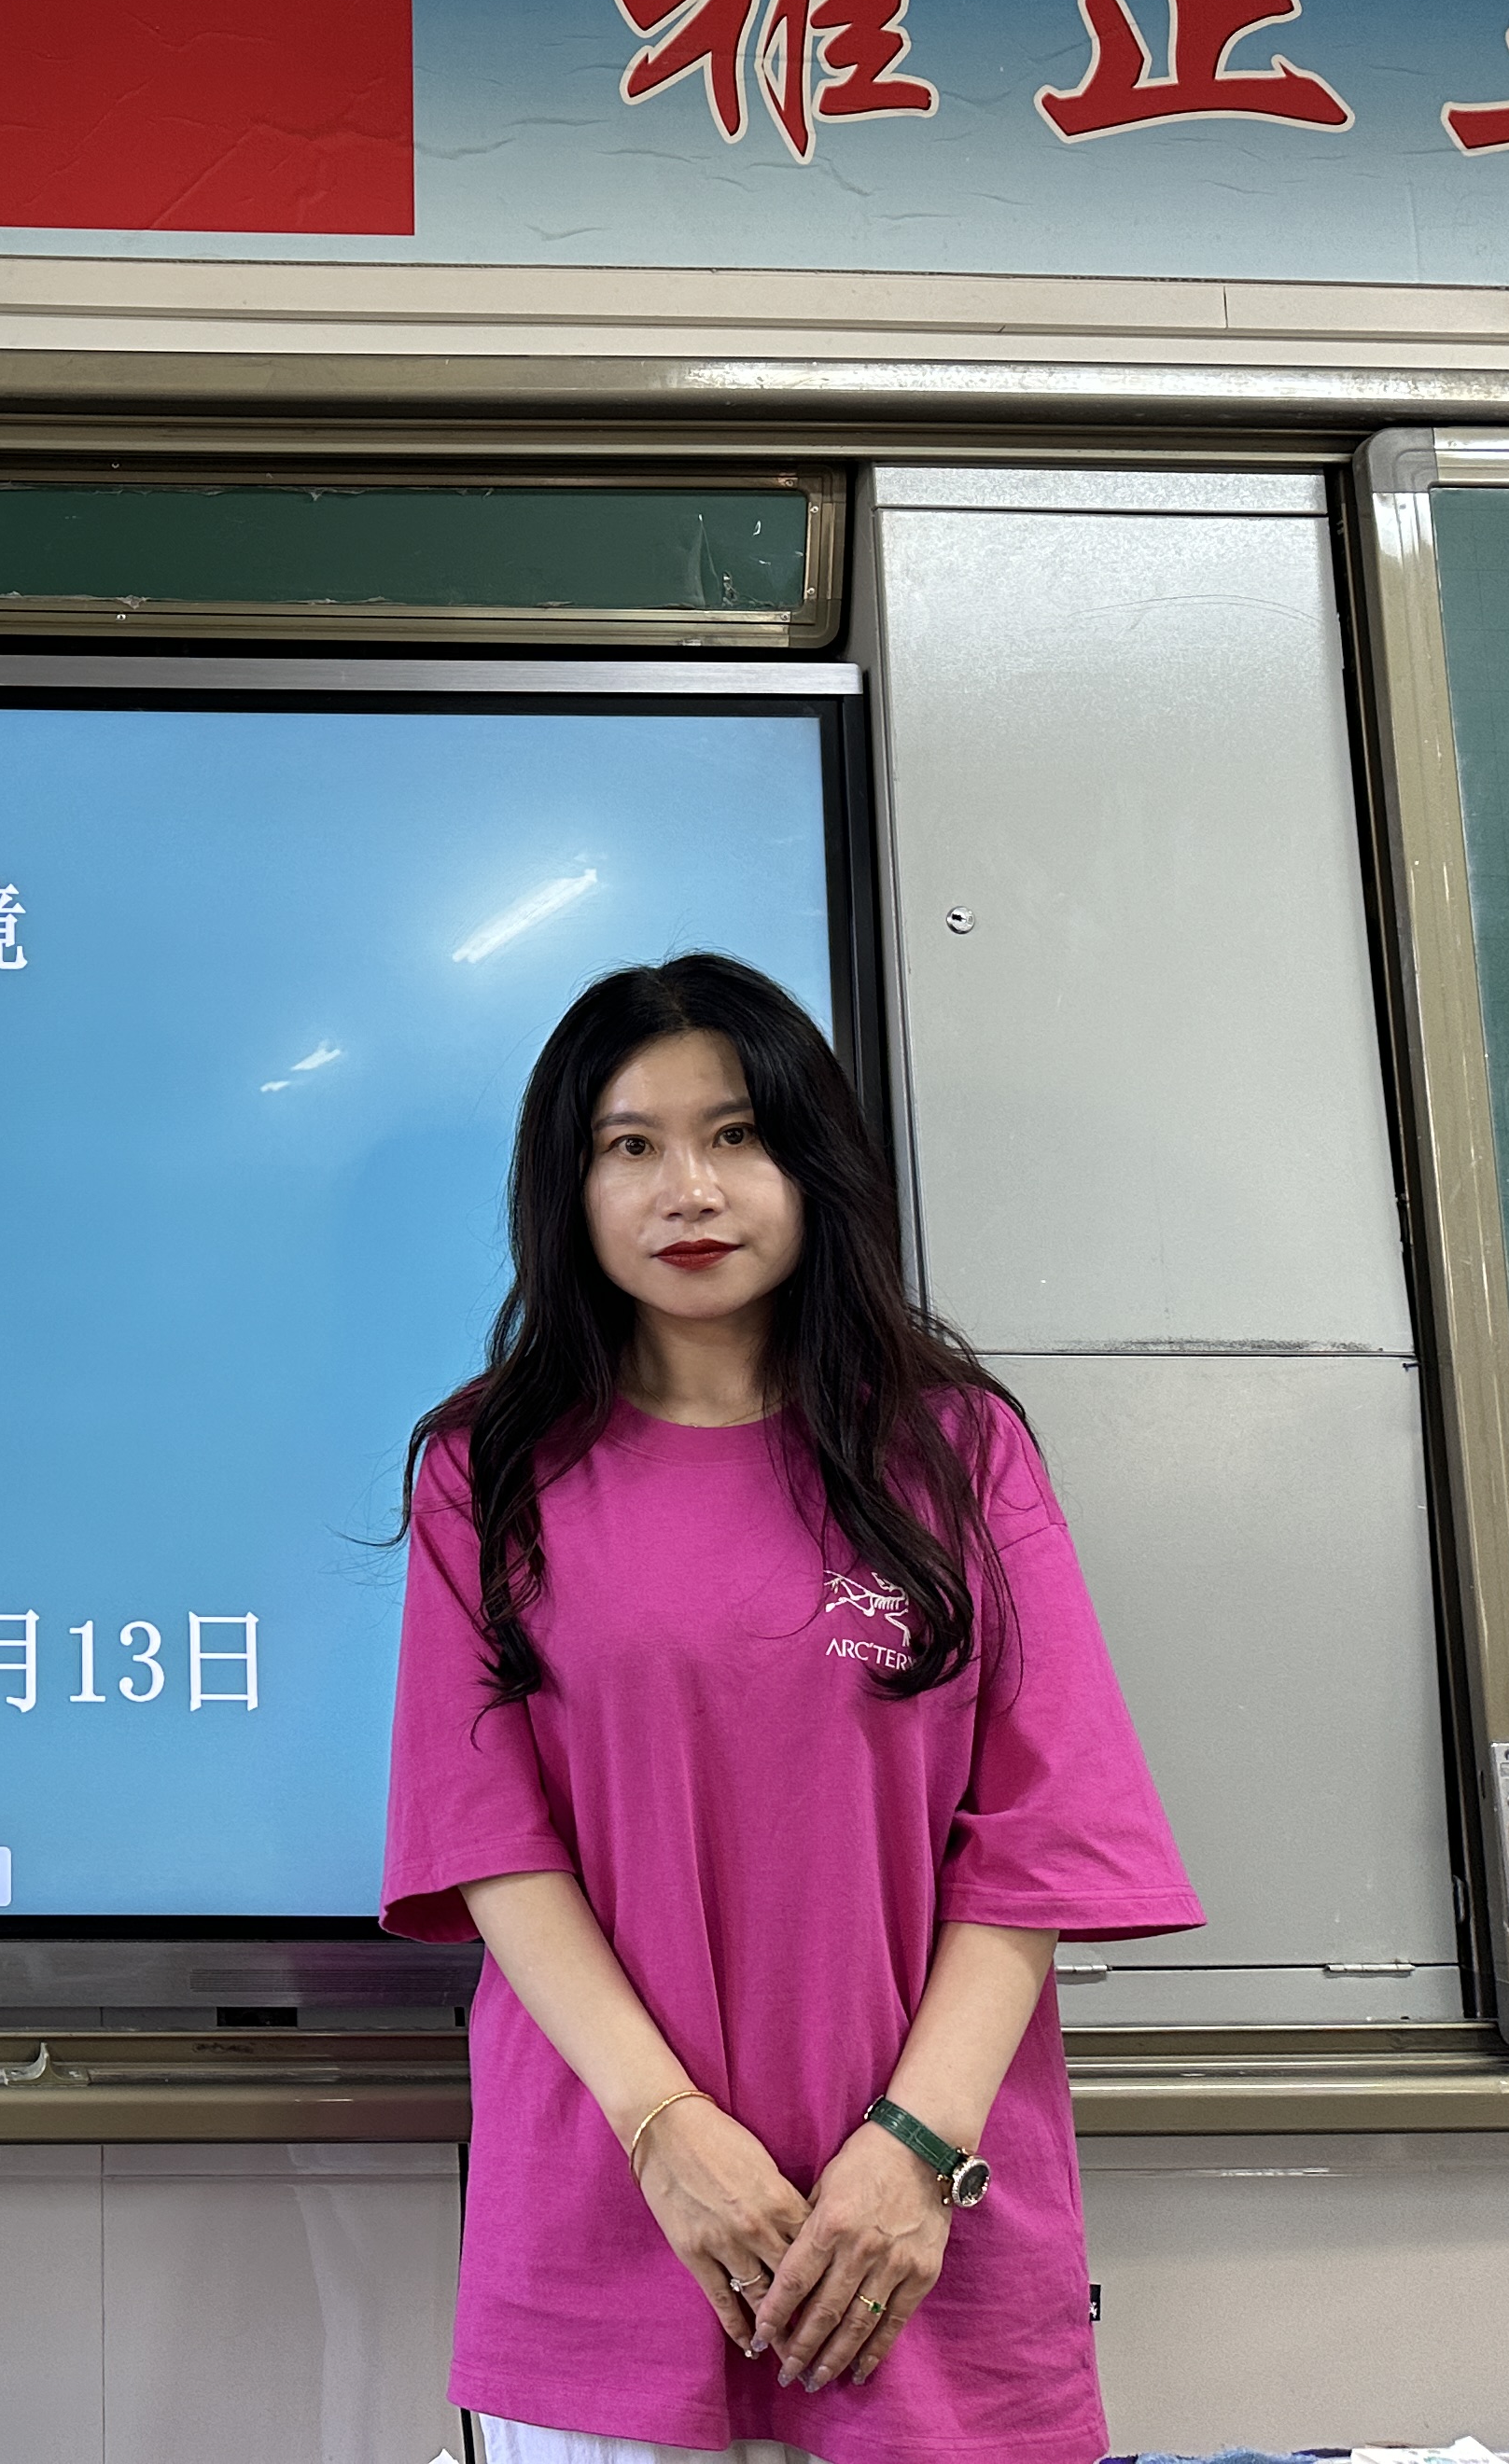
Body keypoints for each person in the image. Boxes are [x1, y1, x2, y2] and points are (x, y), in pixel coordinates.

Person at [383, 954, 1200, 2464]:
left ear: (812, 1164)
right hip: (610, 2212)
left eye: (736, 1135)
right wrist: (666, 2134)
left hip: (914, 2224)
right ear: (567, 1188)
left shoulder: (957, 1453)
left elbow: (1040, 1839)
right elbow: (490, 1844)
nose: (687, 1189)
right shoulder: (484, 1472)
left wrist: (911, 2151)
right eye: (631, 1145)